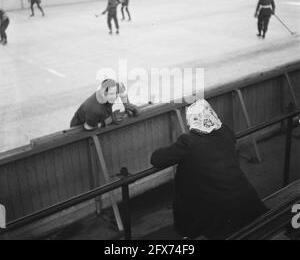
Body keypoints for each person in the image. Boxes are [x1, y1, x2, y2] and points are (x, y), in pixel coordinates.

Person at [150, 99, 267, 239]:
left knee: (188, 193)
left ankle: (188, 233)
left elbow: (156, 159)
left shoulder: (189, 142)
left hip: (221, 212)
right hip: (249, 202)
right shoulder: (226, 132)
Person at [70, 79, 141, 130]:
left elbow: (122, 91)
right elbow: (88, 127)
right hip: (81, 126)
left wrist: (127, 105)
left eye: (116, 93)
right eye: (111, 94)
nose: (115, 97)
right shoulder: (94, 109)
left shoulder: (115, 86)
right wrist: (109, 120)